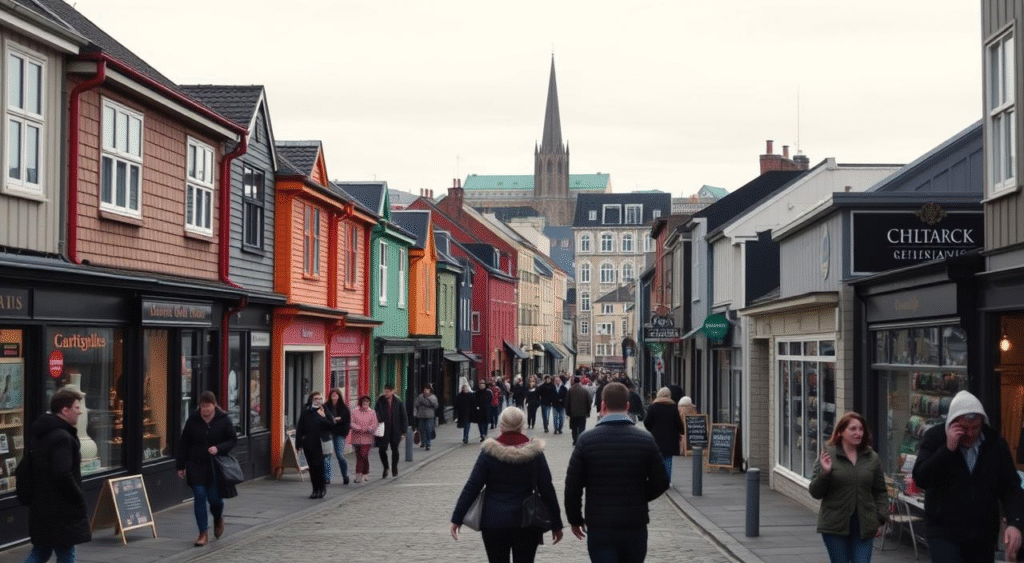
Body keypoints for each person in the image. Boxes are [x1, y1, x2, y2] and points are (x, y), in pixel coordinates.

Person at [912, 390, 1024, 562]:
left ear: (982, 423)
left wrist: (1015, 523)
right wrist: (947, 450)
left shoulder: (995, 444)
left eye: (975, 428)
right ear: (953, 423)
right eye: (964, 428)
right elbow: (921, 478)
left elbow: (1011, 488)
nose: (970, 433)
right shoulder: (935, 438)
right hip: (944, 531)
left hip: (982, 534)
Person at [564, 382, 669, 562]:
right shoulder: (645, 440)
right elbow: (661, 481)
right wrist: (640, 495)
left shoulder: (586, 441)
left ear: (603, 406)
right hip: (634, 524)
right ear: (628, 406)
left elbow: (573, 487)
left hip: (600, 525)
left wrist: (574, 519)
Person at [450, 407, 564, 562]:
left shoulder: (489, 452)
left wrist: (457, 518)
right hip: (527, 521)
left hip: (493, 520)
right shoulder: (535, 453)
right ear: (522, 425)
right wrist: (556, 524)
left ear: (501, 425)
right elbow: (547, 489)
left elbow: (473, 486)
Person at [808, 411, 887, 563]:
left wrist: (880, 519)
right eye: (853, 429)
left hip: (865, 524)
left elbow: (880, 491)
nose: (858, 433)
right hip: (835, 525)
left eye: (861, 429)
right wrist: (825, 474)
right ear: (840, 432)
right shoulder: (828, 455)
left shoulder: (872, 458)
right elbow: (815, 492)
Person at [23, 386, 90, 563]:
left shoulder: (41, 433)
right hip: (61, 510)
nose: (80, 412)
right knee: (67, 554)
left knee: (41, 551)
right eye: (77, 407)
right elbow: (62, 473)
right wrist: (78, 496)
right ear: (64, 410)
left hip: (42, 506)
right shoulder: (62, 437)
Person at [176, 391, 237, 547]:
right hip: (195, 464)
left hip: (214, 466)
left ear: (214, 405)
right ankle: (203, 533)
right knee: (199, 496)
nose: (205, 410)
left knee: (215, 499)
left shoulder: (223, 420)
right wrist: (181, 466)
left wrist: (218, 448)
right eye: (203, 406)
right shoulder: (193, 420)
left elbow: (232, 439)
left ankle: (218, 518)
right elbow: (184, 443)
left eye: (208, 406)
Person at [295, 391, 334, 499]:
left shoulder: (324, 410)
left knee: (319, 467)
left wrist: (324, 416)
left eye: (320, 398)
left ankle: (322, 488)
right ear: (312, 400)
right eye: (316, 398)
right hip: (309, 443)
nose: (318, 400)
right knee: (312, 468)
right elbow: (300, 429)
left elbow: (331, 425)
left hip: (321, 443)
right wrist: (298, 444)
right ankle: (315, 489)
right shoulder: (306, 412)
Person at [643, 388, 685, 483]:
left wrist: (652, 429)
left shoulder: (653, 406)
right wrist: (681, 431)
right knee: (668, 460)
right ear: (669, 395)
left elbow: (646, 422)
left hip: (656, 437)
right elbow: (678, 422)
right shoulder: (673, 406)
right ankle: (667, 481)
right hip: (671, 438)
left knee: (656, 459)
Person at [375, 384, 407, 478]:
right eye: (385, 391)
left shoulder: (398, 402)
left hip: (395, 429)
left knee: (395, 449)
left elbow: (403, 417)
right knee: (382, 450)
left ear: (393, 391)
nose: (386, 393)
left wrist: (403, 431)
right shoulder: (380, 401)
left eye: (389, 391)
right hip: (383, 429)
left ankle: (394, 467)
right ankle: (386, 467)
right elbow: (376, 413)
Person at [324, 387, 351, 485]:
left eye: (336, 395)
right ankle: (327, 478)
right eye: (332, 395)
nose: (334, 397)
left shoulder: (344, 407)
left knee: (340, 455)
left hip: (339, 434)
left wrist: (344, 429)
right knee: (327, 456)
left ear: (339, 396)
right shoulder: (326, 407)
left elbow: (347, 422)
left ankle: (345, 475)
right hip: (329, 433)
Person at [349, 395, 378, 483]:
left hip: (367, 438)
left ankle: (359, 475)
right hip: (357, 438)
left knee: (363, 454)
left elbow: (374, 423)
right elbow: (351, 422)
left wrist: (368, 428)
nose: (366, 404)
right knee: (359, 456)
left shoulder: (372, 412)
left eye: (367, 403)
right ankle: (364, 473)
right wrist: (358, 428)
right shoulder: (354, 411)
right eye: (364, 403)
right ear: (360, 403)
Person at [565, 376, 592, 445]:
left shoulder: (570, 390)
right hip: (582, 413)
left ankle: (575, 440)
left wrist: (567, 412)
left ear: (574, 382)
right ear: (580, 382)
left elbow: (567, 402)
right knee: (581, 428)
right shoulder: (585, 391)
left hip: (573, 414)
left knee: (574, 428)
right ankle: (581, 440)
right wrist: (588, 411)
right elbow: (589, 402)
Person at [414, 384, 439, 451]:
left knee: (428, 429)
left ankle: (428, 444)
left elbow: (436, 405)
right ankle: (423, 442)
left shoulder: (433, 397)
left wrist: (428, 401)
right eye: (425, 389)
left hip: (429, 416)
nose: (426, 391)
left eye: (427, 389)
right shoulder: (420, 396)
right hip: (421, 415)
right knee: (421, 430)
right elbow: (416, 404)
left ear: (430, 390)